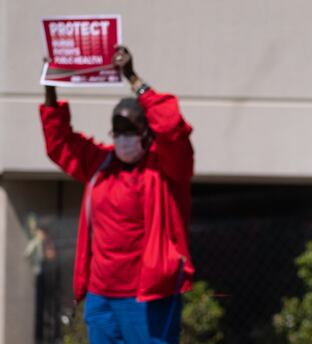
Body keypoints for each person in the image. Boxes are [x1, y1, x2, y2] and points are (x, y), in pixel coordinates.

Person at [40, 45, 195, 343]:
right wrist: (50, 87)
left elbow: (173, 127)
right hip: (102, 297)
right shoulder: (101, 165)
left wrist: (133, 78)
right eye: (117, 130)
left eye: (130, 129)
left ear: (147, 133)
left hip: (148, 297)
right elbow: (60, 143)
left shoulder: (167, 169)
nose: (123, 137)